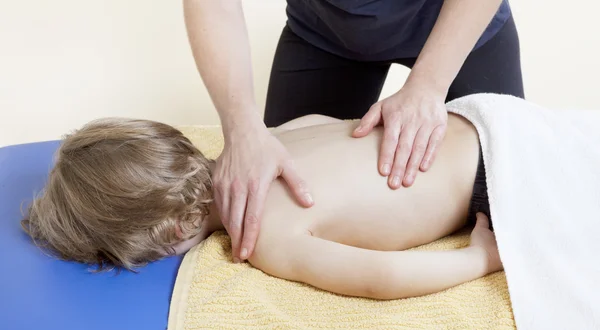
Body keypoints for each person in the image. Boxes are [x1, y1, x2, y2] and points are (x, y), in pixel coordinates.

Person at [22, 108, 501, 300]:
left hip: (496, 181)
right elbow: (322, 119)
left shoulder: (265, 235)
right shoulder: (262, 144)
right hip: (479, 120)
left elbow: (384, 278)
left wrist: (479, 258)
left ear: (173, 231)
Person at [183, 0, 524, 265]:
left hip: (453, 18)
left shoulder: (272, 239)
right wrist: (240, 129)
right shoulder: (275, 230)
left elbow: (384, 274)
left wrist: (429, 84)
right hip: (326, 31)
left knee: (515, 188)